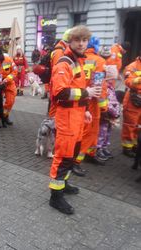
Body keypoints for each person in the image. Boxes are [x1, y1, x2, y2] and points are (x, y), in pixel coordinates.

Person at [48, 26, 101, 214]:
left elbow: (75, 87)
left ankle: (64, 183)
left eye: (84, 40)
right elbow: (61, 93)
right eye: (78, 40)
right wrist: (87, 93)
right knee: (63, 157)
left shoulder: (77, 60)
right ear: (70, 42)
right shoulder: (65, 62)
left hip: (77, 117)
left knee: (73, 154)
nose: (81, 43)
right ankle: (55, 196)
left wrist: (85, 109)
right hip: (67, 119)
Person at [72, 36, 108, 176]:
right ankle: (76, 161)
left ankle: (90, 154)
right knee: (89, 133)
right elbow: (100, 87)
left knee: (85, 132)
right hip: (92, 103)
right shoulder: (99, 61)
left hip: (80, 98)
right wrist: (104, 107)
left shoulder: (80, 58)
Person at [0, 44, 17, 125]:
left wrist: (7, 79)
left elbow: (14, 72)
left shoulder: (8, 60)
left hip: (8, 83)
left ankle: (4, 115)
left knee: (10, 101)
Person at [121, 51, 141, 157]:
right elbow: (128, 81)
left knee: (138, 125)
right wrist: (137, 80)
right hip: (133, 100)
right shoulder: (132, 66)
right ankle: (127, 147)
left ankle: (135, 145)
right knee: (130, 125)